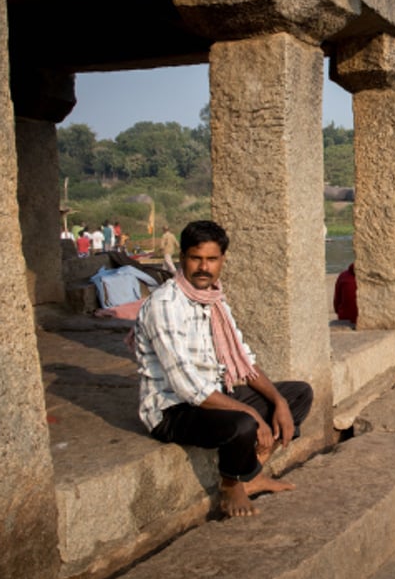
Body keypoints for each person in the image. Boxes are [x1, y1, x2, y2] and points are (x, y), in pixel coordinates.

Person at [134, 220, 314, 518]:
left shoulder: (214, 300)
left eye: (211, 259)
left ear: (222, 261)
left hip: (215, 394)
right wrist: (252, 413)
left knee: (298, 394)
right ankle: (231, 483)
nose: (203, 267)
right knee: (243, 424)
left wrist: (278, 401)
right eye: (196, 258)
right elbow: (188, 387)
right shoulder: (164, 305)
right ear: (183, 258)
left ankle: (251, 474)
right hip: (173, 410)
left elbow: (243, 357)